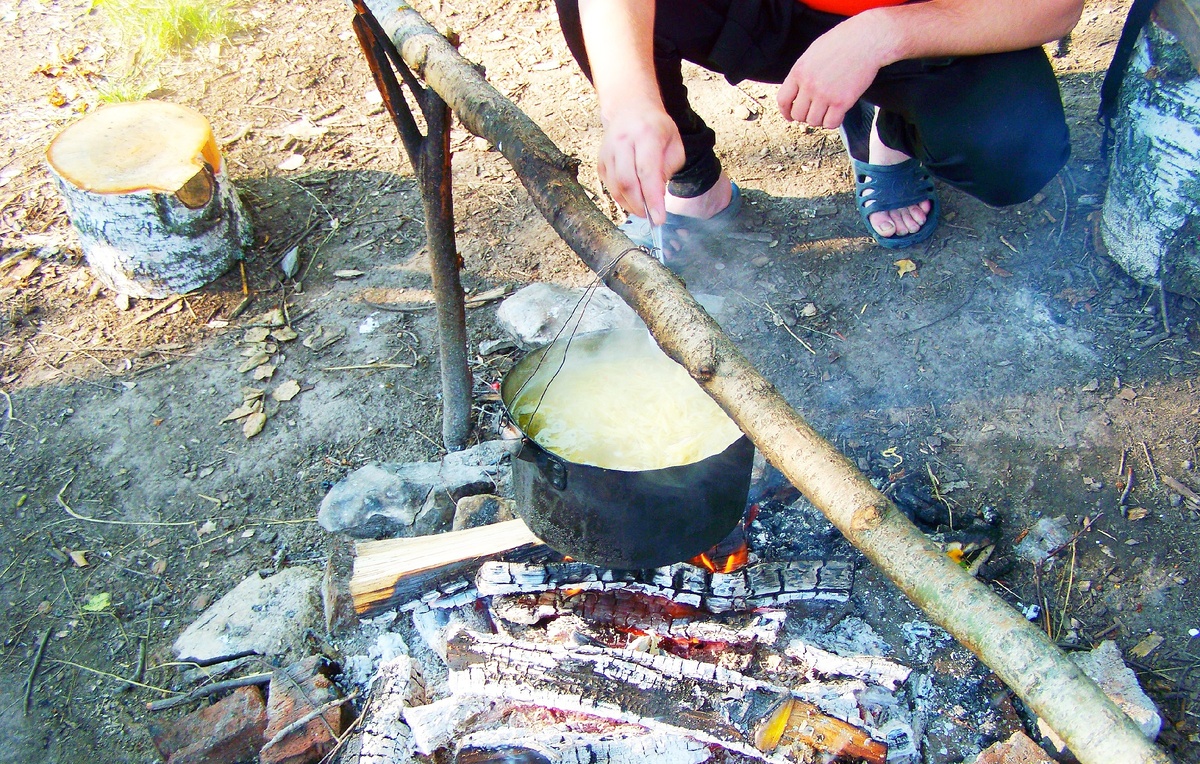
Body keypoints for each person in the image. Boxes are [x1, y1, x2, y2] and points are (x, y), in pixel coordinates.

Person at [554, 0, 1083, 253]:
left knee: (1014, 144)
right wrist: (630, 106)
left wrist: (883, 36)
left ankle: (892, 125)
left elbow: (1055, 6)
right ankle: (694, 180)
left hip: (927, 18)